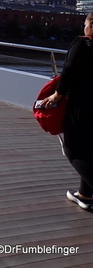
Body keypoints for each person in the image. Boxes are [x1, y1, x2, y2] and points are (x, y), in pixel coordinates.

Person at [41, 12, 93, 211]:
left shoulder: (82, 44)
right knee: (90, 150)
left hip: (82, 106)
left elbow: (68, 71)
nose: (84, 27)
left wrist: (57, 95)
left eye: (86, 23)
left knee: (74, 150)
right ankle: (85, 195)